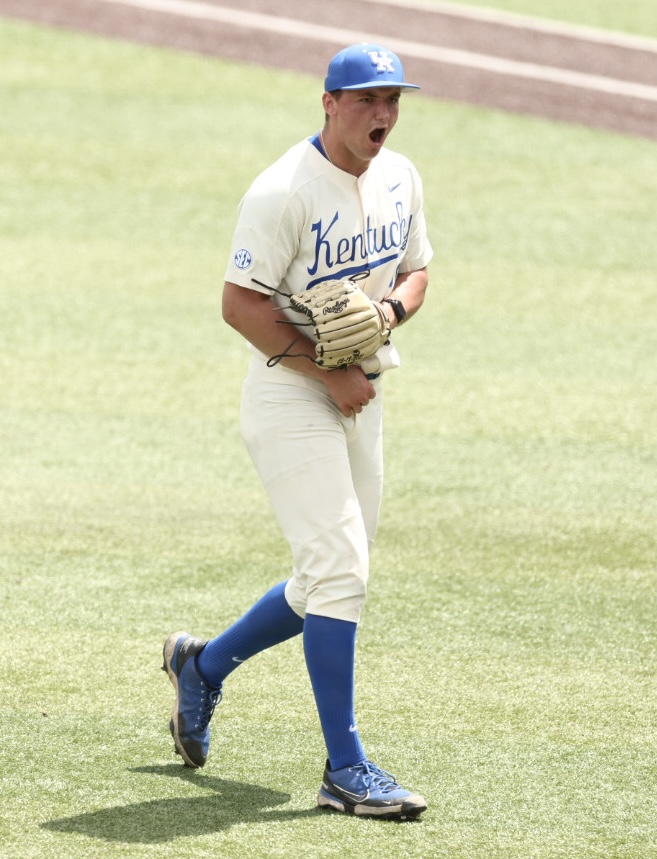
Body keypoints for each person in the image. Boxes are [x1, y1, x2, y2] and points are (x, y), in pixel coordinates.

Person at [163, 42, 433, 820]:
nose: (381, 115)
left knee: (327, 575)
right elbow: (238, 303)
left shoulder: (400, 177)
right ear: (328, 103)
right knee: (341, 567)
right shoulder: (283, 191)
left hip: (362, 392)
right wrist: (329, 373)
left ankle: (201, 666)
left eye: (391, 101)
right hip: (289, 396)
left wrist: (387, 312)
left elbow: (418, 269)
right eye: (365, 101)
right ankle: (344, 767)